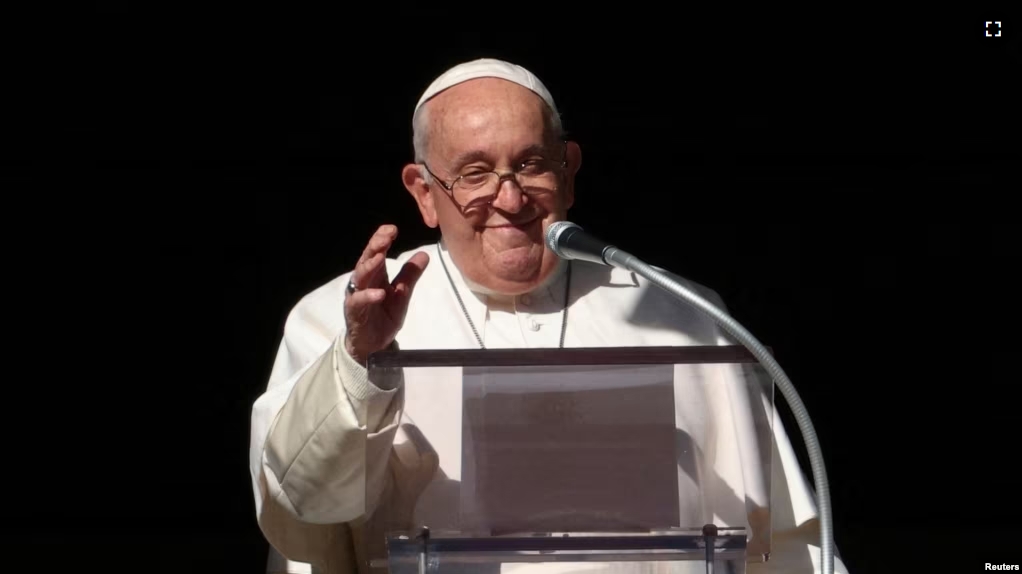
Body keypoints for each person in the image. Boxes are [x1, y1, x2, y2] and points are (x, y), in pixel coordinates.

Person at [249, 58, 849, 574]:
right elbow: (304, 504)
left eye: (531, 164)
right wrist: (361, 363)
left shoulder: (680, 313)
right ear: (424, 193)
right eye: (475, 174)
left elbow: (784, 542)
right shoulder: (340, 317)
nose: (509, 201)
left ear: (569, 171)